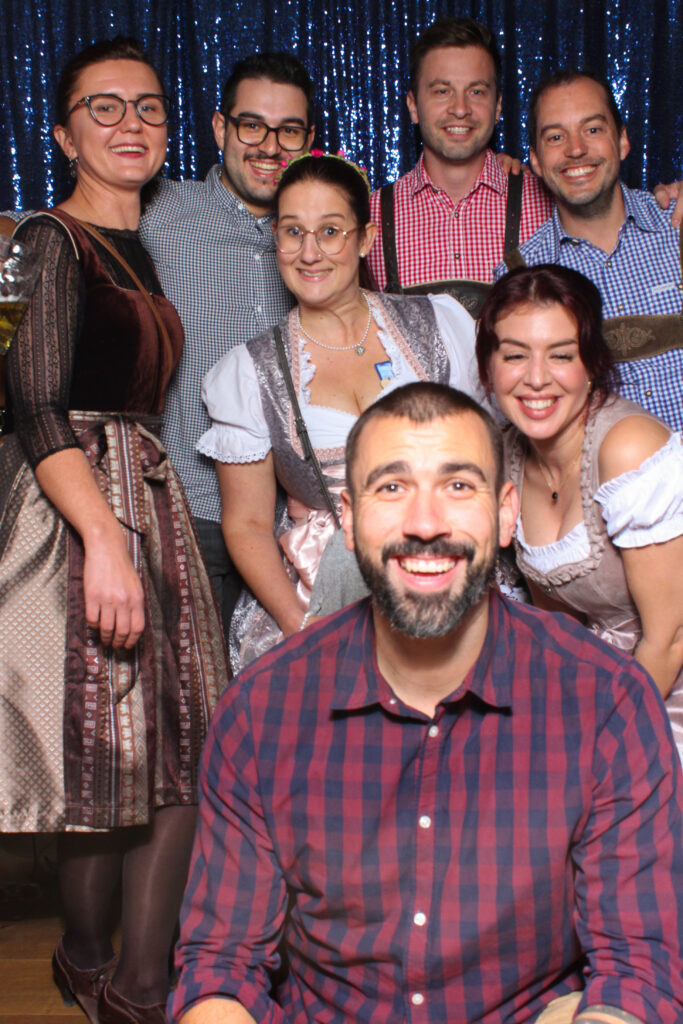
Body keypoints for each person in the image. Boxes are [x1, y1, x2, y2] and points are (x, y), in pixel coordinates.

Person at [171, 381, 683, 1024]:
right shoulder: (261, 709)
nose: (424, 523)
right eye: (392, 487)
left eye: (458, 486)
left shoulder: (606, 699)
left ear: (506, 514)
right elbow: (220, 964)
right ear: (349, 518)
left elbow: (638, 968)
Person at [0, 37, 228, 1024]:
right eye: (104, 107)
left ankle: (138, 982)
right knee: (105, 747)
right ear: (61, 134)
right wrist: (102, 538)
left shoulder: (139, 242)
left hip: (144, 492)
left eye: (147, 107)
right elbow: (32, 404)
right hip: (81, 503)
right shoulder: (45, 241)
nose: (129, 123)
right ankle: (91, 957)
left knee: (176, 746)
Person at [197, 152, 486, 671]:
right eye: (293, 232)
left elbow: (491, 463)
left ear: (365, 239)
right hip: (321, 593)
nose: (309, 253)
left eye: (330, 231)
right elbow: (247, 523)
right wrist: (303, 628)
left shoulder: (440, 324)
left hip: (449, 571)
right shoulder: (249, 371)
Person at [137, 53, 314, 639]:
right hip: (188, 516)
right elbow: (58, 229)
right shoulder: (159, 211)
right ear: (220, 128)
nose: (269, 146)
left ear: (309, 139)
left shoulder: (320, 238)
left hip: (295, 532)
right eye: (251, 125)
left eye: (288, 130)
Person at [477, 263, 683, 754]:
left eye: (561, 355)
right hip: (605, 675)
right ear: (489, 367)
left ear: (590, 362)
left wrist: (592, 750)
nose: (536, 379)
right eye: (515, 355)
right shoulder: (505, 455)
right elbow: (558, 625)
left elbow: (671, 638)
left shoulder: (629, 449)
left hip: (666, 680)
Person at [499, 70, 683, 431]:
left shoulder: (677, 225)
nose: (576, 149)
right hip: (602, 470)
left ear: (623, 141)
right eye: (556, 137)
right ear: (536, 161)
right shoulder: (520, 276)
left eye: (593, 129)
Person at [366, 17, 554, 313]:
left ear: (498, 106)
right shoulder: (371, 216)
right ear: (413, 106)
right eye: (442, 91)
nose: (460, 109)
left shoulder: (547, 206)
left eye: (476, 91)